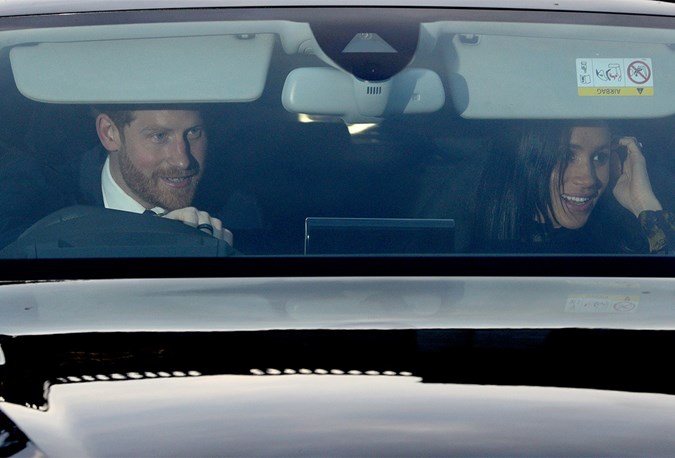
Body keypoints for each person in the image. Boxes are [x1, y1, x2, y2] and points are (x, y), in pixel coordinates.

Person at [472, 120, 673, 253]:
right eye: (566, 156)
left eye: (599, 157)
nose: (588, 179)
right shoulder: (464, 264)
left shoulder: (618, 246)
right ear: (527, 159)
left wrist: (644, 204)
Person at [91, 107, 232, 244]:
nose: (182, 161)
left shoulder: (244, 215)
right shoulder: (69, 206)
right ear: (110, 134)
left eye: (193, 132)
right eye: (159, 136)